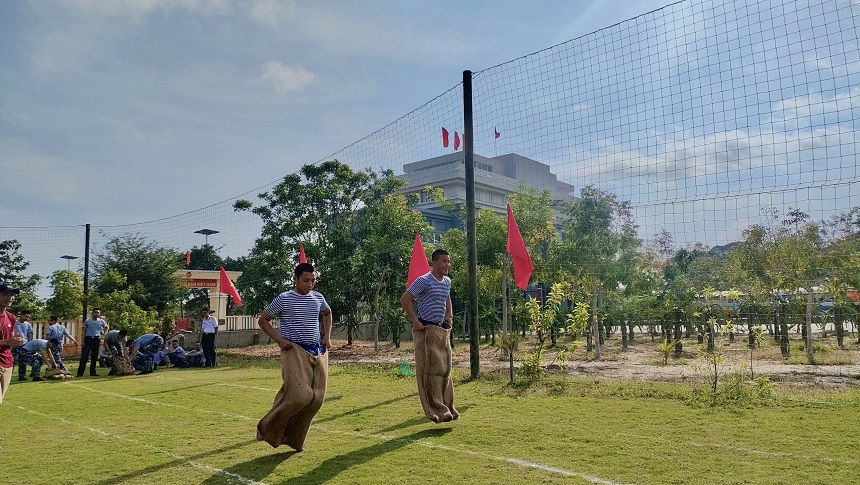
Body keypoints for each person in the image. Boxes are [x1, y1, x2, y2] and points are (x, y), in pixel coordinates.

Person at [256, 262, 333, 451]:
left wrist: (327, 337)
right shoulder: (284, 299)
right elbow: (263, 320)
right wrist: (279, 340)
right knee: (298, 396)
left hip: (316, 351)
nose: (310, 284)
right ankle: (267, 428)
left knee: (316, 399)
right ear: (295, 279)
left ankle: (296, 440)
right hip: (294, 350)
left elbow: (327, 313)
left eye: (313, 280)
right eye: (306, 280)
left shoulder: (318, 297)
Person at [400, 248, 459, 423]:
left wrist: (449, 315)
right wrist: (415, 321)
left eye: (449, 261)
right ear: (433, 263)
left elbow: (447, 298)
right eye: (444, 261)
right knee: (429, 371)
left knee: (444, 369)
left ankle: (448, 407)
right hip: (425, 329)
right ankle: (435, 410)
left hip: (441, 330)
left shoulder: (447, 281)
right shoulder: (423, 281)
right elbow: (405, 300)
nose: (447, 264)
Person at [1, 283, 26, 404]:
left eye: (12, 295)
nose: (9, 297)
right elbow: (6, 341)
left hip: (7, 363)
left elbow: (10, 342)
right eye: (5, 294)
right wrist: (7, 341)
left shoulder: (11, 317)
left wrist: (16, 341)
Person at [77, 308, 108, 377]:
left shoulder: (101, 321)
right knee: (84, 356)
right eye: (95, 312)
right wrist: (83, 341)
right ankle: (80, 373)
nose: (97, 314)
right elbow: (83, 331)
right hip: (88, 338)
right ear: (92, 313)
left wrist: (103, 335)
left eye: (98, 312)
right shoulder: (88, 321)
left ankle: (93, 372)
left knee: (94, 356)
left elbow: (106, 327)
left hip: (96, 339)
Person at [13, 313, 33, 381]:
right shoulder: (14, 323)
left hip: (24, 345)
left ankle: (22, 376)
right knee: (12, 361)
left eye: (28, 317)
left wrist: (29, 344)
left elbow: (29, 335)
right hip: (14, 344)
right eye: (26, 316)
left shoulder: (28, 325)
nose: (27, 318)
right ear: (21, 315)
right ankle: (8, 375)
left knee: (23, 361)